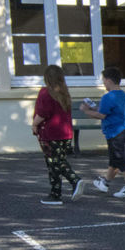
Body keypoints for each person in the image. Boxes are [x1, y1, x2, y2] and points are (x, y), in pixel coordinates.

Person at [32, 64, 86, 206]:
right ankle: (55, 194)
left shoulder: (45, 93)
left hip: (50, 134)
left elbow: (43, 113)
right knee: (55, 163)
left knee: (55, 163)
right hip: (65, 133)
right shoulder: (64, 93)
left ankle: (74, 180)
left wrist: (34, 124)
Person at [79, 67, 125, 198]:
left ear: (109, 80)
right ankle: (105, 183)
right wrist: (93, 108)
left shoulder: (108, 96)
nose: (103, 83)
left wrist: (86, 111)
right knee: (115, 161)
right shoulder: (121, 94)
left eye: (104, 80)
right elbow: (107, 110)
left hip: (117, 133)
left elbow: (101, 115)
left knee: (122, 160)